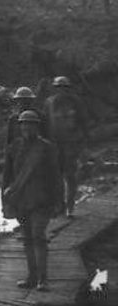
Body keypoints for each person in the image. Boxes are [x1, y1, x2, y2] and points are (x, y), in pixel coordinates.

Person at [2, 110, 64, 290]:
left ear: (37, 127)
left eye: (31, 124)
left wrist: (58, 201)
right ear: (20, 127)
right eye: (24, 124)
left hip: (42, 200)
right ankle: (31, 277)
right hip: (21, 200)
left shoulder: (47, 148)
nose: (27, 128)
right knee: (27, 238)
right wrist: (5, 203)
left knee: (38, 236)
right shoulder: (14, 147)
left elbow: (56, 176)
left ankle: (43, 280)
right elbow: (7, 177)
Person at [44, 76, 89, 217]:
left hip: (71, 143)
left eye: (64, 88)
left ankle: (70, 205)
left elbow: (83, 122)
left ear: (68, 88)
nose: (61, 90)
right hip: (54, 144)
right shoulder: (49, 103)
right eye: (59, 87)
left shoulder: (76, 102)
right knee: (56, 176)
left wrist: (83, 143)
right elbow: (45, 123)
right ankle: (59, 205)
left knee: (70, 176)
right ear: (55, 88)